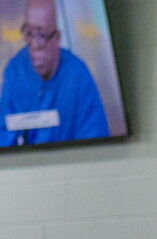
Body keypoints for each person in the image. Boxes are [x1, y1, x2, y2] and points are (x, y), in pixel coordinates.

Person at [0, 0, 109, 148]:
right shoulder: (15, 71)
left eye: (42, 35)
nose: (34, 45)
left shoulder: (78, 75)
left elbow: (97, 142)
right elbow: (4, 137)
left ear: (57, 38)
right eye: (28, 33)